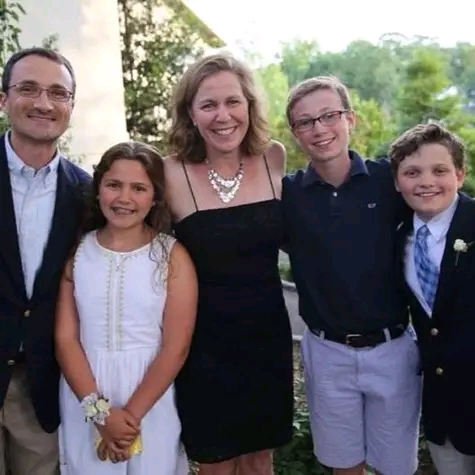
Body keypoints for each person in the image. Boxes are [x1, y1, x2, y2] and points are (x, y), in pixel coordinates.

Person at [282, 76, 421, 475]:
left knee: (396, 468)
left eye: (329, 115)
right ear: (295, 134)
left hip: (392, 348)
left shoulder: (390, 181)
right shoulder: (287, 195)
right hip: (327, 352)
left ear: (350, 119)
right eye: (305, 122)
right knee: (344, 467)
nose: (319, 129)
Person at [165, 52, 294, 475]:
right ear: (191, 113)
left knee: (260, 461)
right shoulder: (168, 174)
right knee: (215, 462)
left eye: (233, 102)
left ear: (250, 105)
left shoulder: (273, 157)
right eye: (208, 104)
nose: (224, 116)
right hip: (203, 347)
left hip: (267, 340)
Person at [55, 141, 197, 475]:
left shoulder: (172, 256)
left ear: (155, 196)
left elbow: (176, 347)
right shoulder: (77, 253)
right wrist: (102, 416)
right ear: (99, 188)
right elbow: (65, 340)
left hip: (150, 395)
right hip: (86, 393)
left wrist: (127, 420)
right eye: (114, 185)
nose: (124, 199)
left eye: (139, 188)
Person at [0, 47, 91, 475]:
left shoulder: (89, 195)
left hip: (41, 388)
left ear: (71, 105)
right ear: (4, 99)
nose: (43, 103)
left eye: (58, 93)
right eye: (28, 89)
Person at [390, 123, 475, 475]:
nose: (426, 182)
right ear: (397, 182)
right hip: (444, 411)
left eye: (439, 171)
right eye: (412, 172)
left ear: (459, 174)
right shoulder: (397, 239)